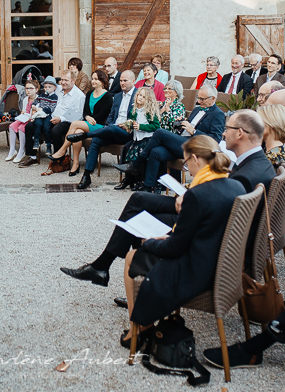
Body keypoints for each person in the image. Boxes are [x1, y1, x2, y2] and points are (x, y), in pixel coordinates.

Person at [60, 109, 273, 292]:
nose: (224, 132)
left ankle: (125, 275)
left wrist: (188, 203)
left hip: (208, 231)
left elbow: (222, 214)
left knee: (140, 211)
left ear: (241, 133)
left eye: (228, 128)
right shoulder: (256, 163)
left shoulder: (249, 175)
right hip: (206, 211)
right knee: (140, 198)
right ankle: (107, 268)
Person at [121, 135, 244, 350]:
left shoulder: (197, 195)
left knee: (133, 257)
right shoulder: (236, 186)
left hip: (197, 272)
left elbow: (175, 247)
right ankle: (142, 324)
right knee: (152, 245)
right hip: (224, 266)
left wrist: (148, 242)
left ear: (196, 158)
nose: (187, 168)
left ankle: (139, 327)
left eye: (186, 163)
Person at [130, 84, 225, 191]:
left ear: (213, 99)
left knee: (160, 132)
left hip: (195, 146)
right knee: (156, 152)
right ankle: (148, 186)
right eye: (198, 98)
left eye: (202, 99)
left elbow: (215, 140)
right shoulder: (197, 109)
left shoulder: (218, 114)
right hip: (182, 142)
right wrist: (181, 123)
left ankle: (137, 163)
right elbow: (187, 126)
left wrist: (194, 131)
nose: (199, 101)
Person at [74, 70, 136, 189]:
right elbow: (111, 116)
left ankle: (85, 135)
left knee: (110, 129)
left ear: (133, 81)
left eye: (125, 81)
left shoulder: (138, 95)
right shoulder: (117, 96)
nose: (122, 83)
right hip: (112, 130)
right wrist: (109, 125)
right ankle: (86, 176)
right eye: (121, 81)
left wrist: (125, 125)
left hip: (128, 132)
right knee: (96, 140)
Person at [48, 69, 111, 175]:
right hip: (87, 123)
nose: (93, 81)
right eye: (93, 79)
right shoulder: (90, 93)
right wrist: (87, 116)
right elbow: (85, 111)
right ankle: (75, 164)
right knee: (77, 132)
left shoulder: (108, 96)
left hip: (99, 125)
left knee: (75, 123)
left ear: (103, 81)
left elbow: (103, 115)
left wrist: (90, 118)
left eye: (96, 79)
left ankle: (62, 150)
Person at [41, 71, 85, 170]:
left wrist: (61, 119)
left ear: (73, 81)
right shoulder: (59, 90)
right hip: (53, 116)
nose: (63, 82)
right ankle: (32, 155)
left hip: (68, 121)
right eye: (62, 79)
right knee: (32, 125)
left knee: (56, 130)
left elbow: (78, 116)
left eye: (66, 80)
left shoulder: (79, 96)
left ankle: (59, 159)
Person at [19, 76, 59, 167]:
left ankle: (53, 153)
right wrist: (34, 107)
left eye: (49, 87)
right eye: (45, 87)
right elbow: (36, 101)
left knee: (49, 128)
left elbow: (51, 109)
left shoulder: (56, 95)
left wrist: (40, 109)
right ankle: (32, 155)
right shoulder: (42, 94)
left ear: (54, 87)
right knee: (29, 126)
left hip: (50, 117)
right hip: (40, 116)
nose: (47, 89)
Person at [7, 79, 40, 163]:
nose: (28, 90)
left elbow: (36, 114)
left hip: (32, 119)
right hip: (25, 117)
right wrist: (23, 112)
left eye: (31, 88)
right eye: (26, 88)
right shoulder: (26, 99)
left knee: (22, 128)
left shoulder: (38, 100)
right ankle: (12, 150)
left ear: (36, 89)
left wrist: (29, 114)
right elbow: (24, 110)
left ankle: (22, 150)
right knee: (11, 126)